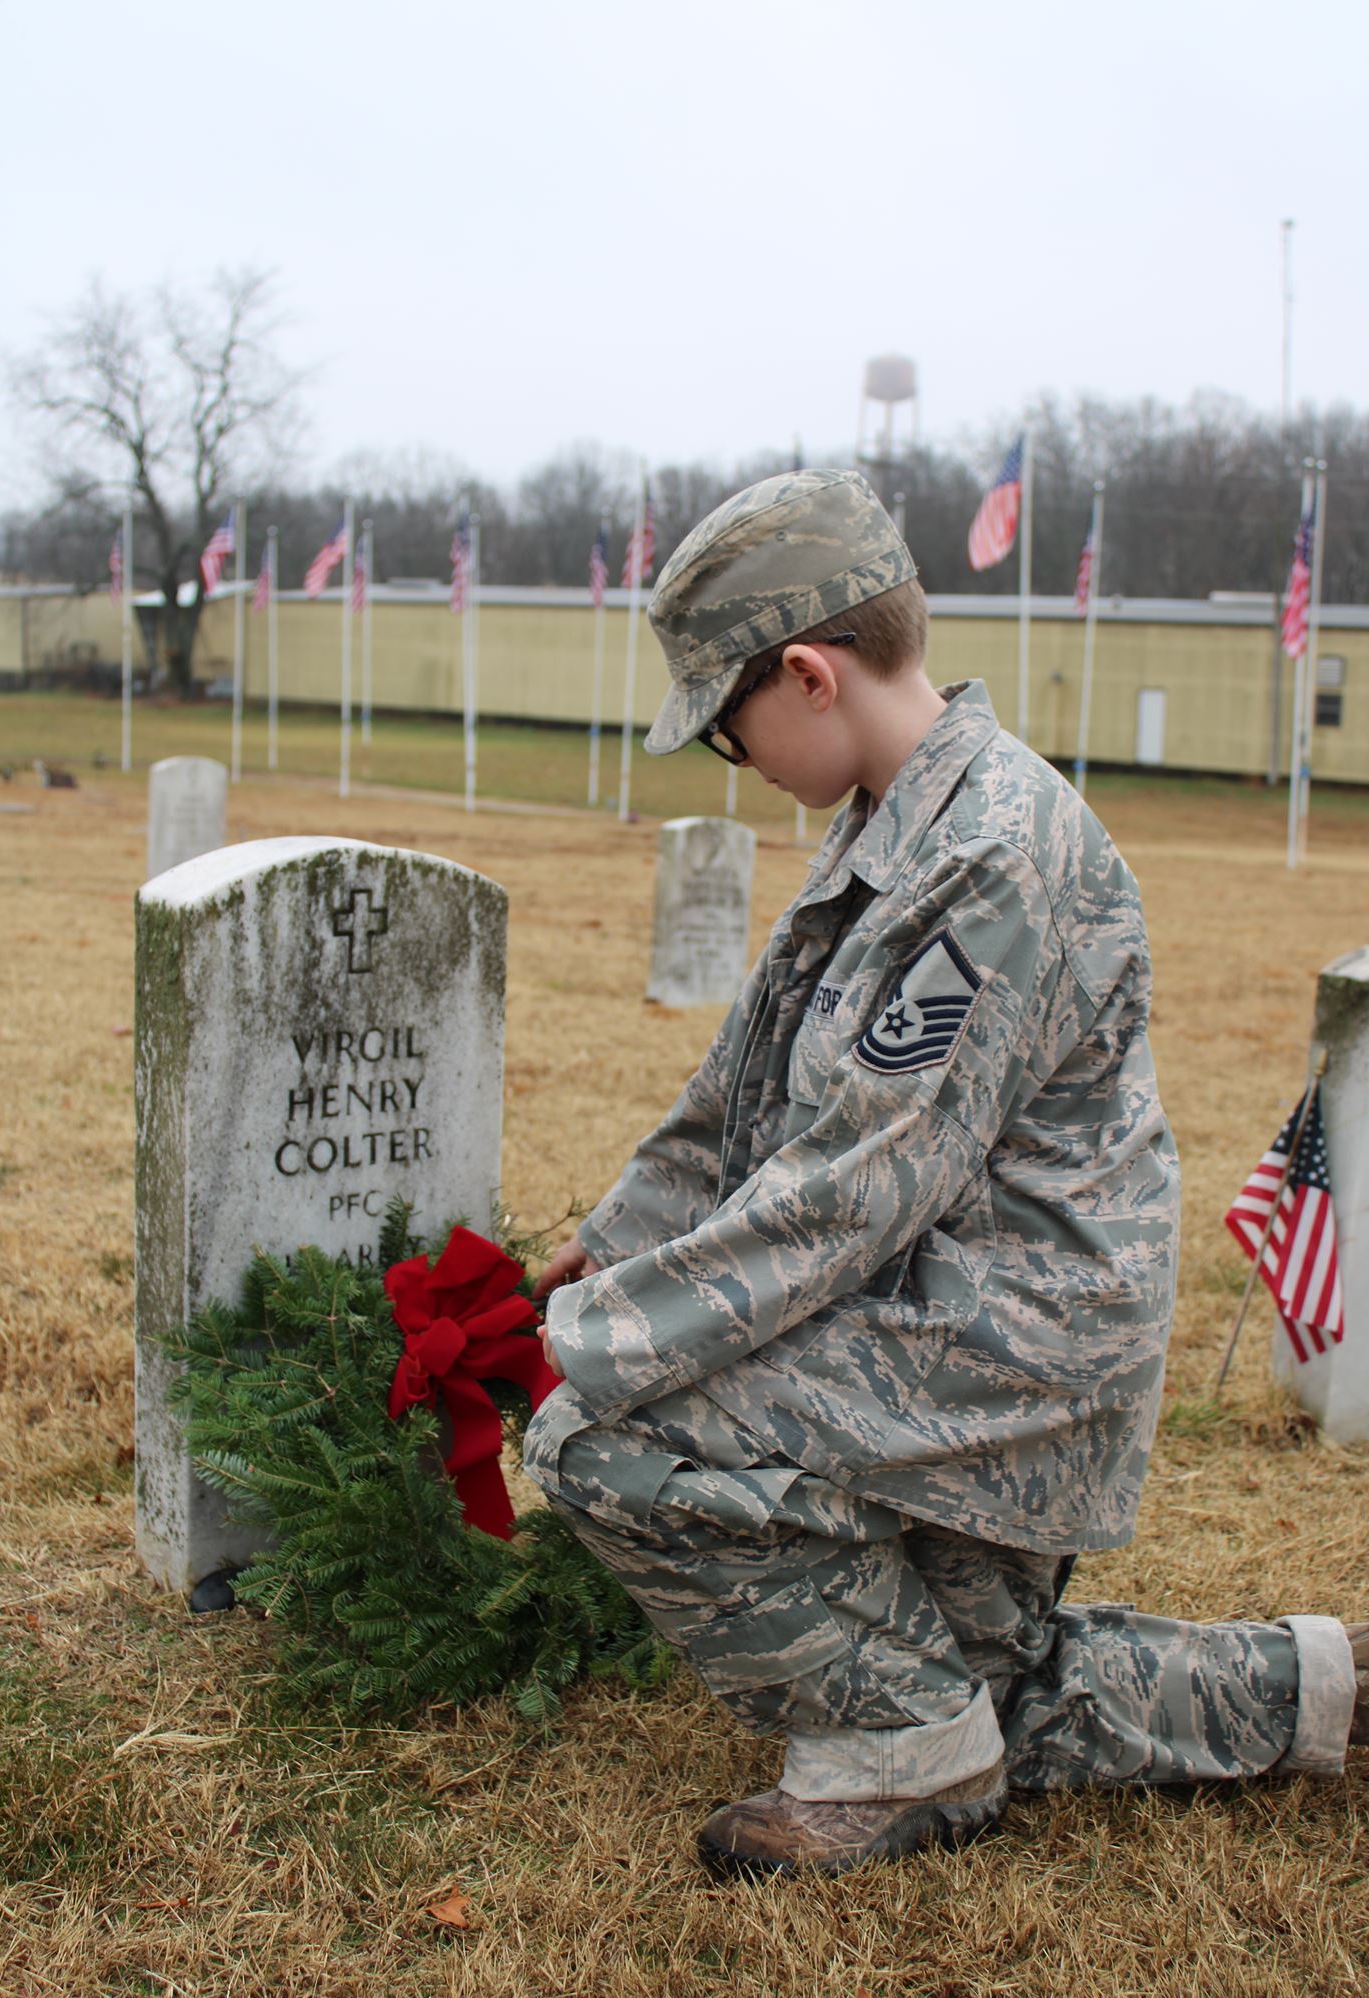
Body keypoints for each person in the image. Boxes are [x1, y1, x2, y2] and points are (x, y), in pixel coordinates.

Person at [522, 467, 1366, 1879]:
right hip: (947, 1324)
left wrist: (593, 1342)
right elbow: (735, 1085)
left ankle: (901, 1759)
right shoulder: (893, 820)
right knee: (999, 1690)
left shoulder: (985, 854)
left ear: (805, 675)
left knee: (594, 1437)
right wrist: (613, 1246)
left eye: (728, 732)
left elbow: (851, 1190)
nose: (737, 764)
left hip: (995, 1346)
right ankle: (1320, 1690)